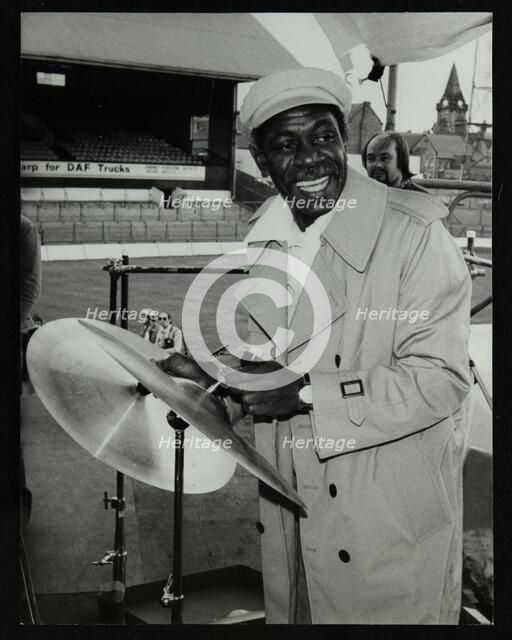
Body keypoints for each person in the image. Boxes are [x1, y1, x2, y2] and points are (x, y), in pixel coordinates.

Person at [154, 68, 472, 624]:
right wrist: (211, 376)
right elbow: (279, 362)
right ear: (258, 158)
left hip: (385, 523)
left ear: (343, 140)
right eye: (286, 144)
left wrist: (304, 396)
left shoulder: (416, 235)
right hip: (291, 511)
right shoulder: (266, 234)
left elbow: (440, 379)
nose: (310, 160)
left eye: (324, 137)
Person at [362, 131, 430, 193]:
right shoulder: (360, 195)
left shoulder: (422, 199)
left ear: (401, 160)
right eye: (371, 159)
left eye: (385, 158)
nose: (377, 164)